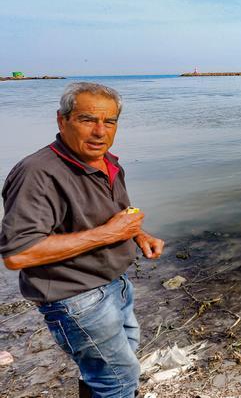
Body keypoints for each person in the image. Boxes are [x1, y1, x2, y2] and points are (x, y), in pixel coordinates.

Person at [0, 82, 165, 398]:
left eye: (110, 121)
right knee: (118, 379)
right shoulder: (37, 173)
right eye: (88, 119)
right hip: (76, 297)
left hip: (115, 284)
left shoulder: (109, 162)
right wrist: (111, 234)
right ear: (62, 121)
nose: (100, 132)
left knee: (108, 370)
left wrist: (138, 234)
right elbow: (18, 254)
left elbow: (114, 218)